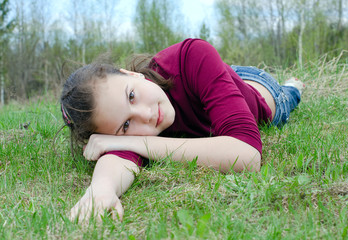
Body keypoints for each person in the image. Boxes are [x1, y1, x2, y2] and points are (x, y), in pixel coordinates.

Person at [60, 38, 305, 222]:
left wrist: (133, 142)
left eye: (132, 96)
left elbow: (247, 155)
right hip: (215, 77)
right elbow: (117, 159)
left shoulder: (192, 54)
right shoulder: (133, 125)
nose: (146, 115)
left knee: (290, 96)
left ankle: (293, 85)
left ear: (131, 74)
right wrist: (101, 189)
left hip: (261, 91)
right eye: (125, 126)